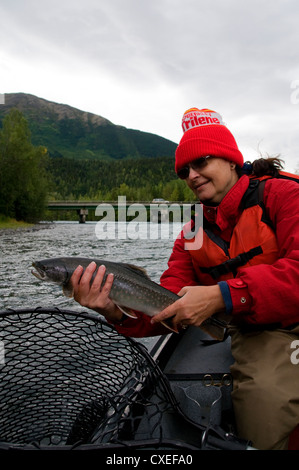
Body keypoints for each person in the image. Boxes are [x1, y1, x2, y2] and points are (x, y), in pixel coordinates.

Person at [70, 107, 299, 450]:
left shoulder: (284, 196)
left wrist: (222, 296)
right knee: (263, 397)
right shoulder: (191, 234)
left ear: (232, 161)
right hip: (259, 332)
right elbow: (166, 306)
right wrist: (116, 312)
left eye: (202, 162)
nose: (192, 175)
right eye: (184, 171)